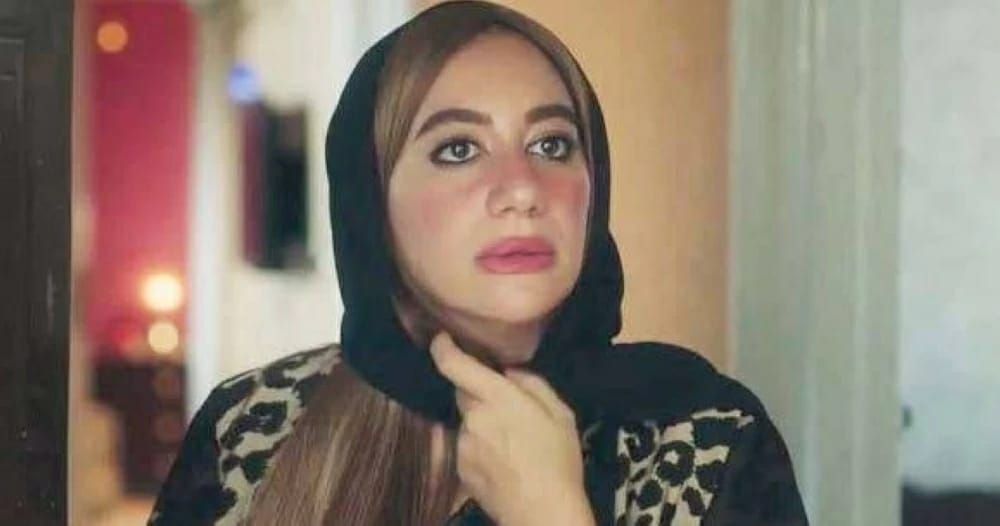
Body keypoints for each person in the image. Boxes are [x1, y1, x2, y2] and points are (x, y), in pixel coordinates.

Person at [149, 1, 808, 525]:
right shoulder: (251, 430)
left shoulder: (709, 439)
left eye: (552, 144)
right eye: (459, 149)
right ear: (370, 201)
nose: (522, 189)